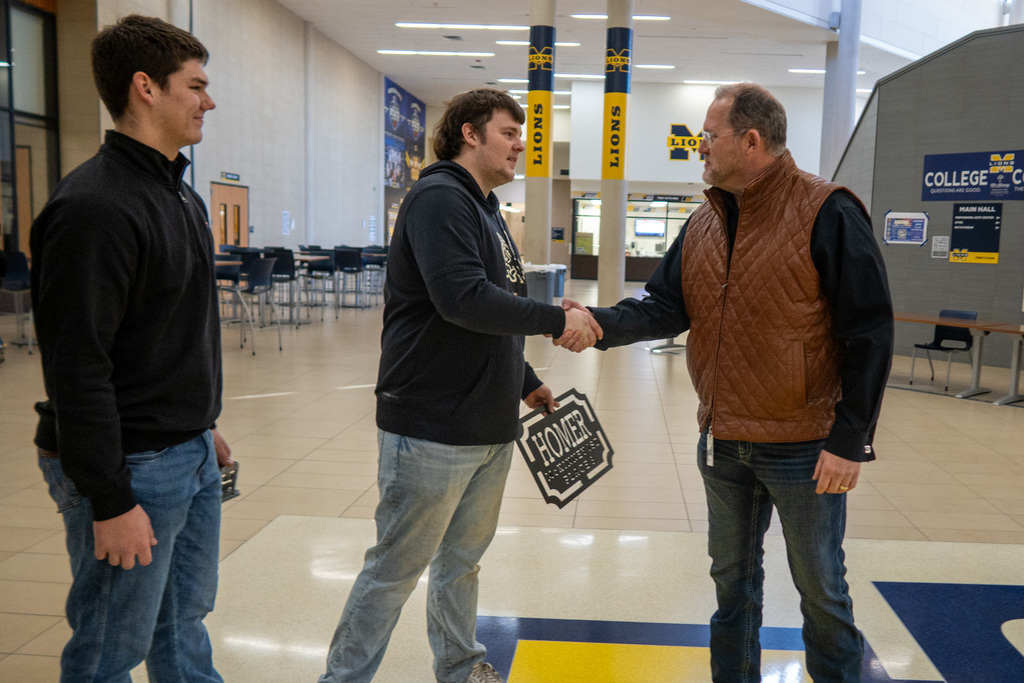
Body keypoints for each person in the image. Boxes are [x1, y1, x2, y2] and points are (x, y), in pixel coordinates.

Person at [567, 83, 894, 682]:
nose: (700, 147)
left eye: (709, 136)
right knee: (731, 586)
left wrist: (851, 439)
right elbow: (664, 306)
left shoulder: (827, 210)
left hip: (804, 447)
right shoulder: (704, 221)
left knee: (822, 590)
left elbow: (869, 329)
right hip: (723, 441)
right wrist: (597, 322)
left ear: (750, 140)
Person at [318, 88, 601, 683]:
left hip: (487, 421)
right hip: (432, 424)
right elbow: (463, 299)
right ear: (470, 134)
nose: (520, 145)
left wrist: (524, 380)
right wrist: (556, 321)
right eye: (508, 133)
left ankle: (459, 665)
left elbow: (495, 303)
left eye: (521, 134)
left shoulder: (487, 208)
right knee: (395, 569)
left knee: (462, 561)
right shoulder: (440, 198)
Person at [30, 15, 231, 682]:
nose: (208, 101)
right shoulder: (94, 207)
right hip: (131, 463)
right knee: (111, 646)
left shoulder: (181, 196)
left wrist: (201, 423)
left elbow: (168, 331)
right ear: (146, 87)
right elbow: (76, 367)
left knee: (183, 623)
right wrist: (111, 499)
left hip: (187, 449)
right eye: (195, 86)